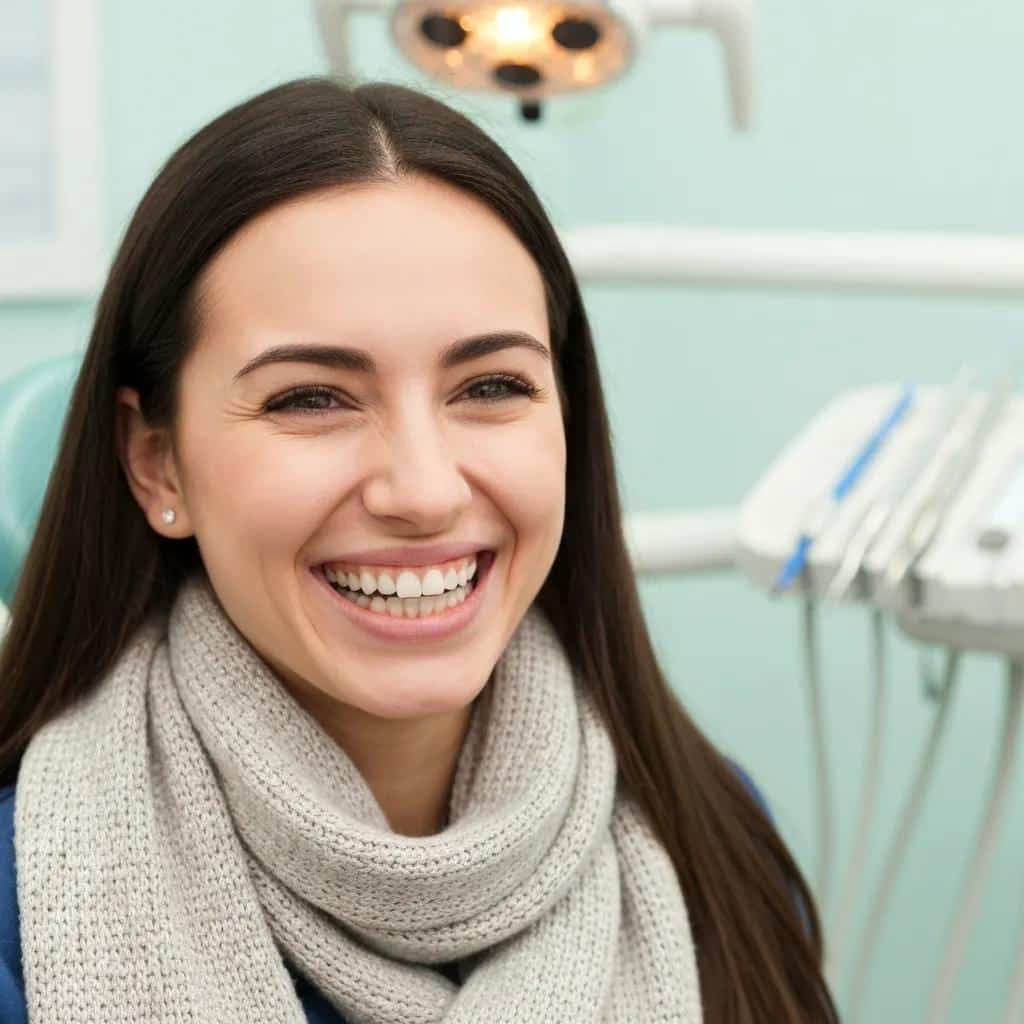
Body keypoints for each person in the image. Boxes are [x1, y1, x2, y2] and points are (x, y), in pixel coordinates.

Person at [0, 76, 838, 1022]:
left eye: (490, 387)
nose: (426, 490)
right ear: (159, 466)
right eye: (310, 398)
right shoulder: (17, 919)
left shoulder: (720, 837)